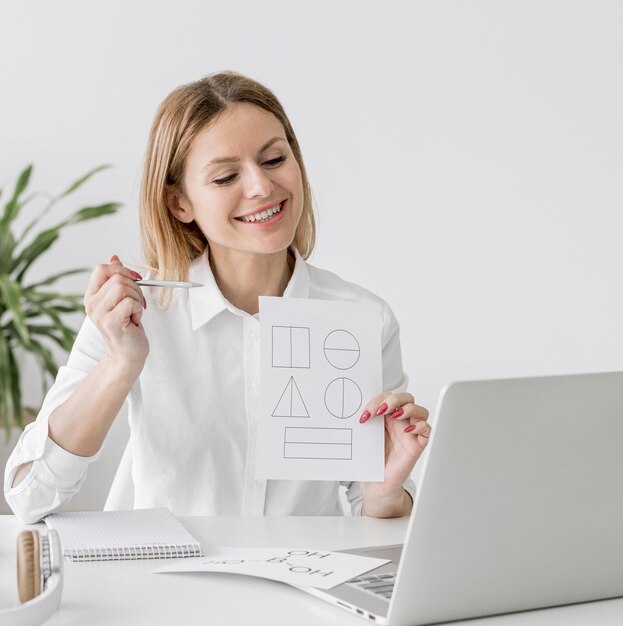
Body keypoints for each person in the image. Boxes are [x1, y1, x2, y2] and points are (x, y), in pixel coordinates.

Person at [4, 71, 431, 524]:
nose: (261, 187)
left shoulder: (360, 318)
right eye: (226, 176)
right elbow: (30, 497)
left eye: (273, 159)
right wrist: (119, 363)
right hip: (161, 585)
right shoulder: (133, 314)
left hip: (296, 586)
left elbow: (377, 517)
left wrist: (385, 492)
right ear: (179, 204)